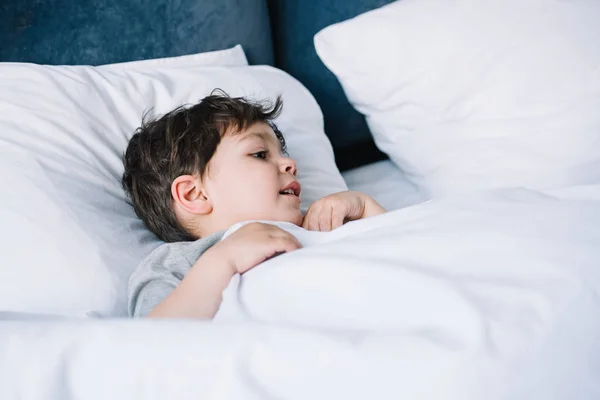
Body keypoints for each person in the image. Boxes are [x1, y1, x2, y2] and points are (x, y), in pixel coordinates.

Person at [122, 90, 386, 319]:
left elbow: (400, 255)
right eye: (260, 154)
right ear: (195, 195)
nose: (290, 164)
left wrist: (364, 208)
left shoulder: (320, 221)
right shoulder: (178, 262)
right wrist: (223, 260)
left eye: (282, 154)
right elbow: (152, 344)